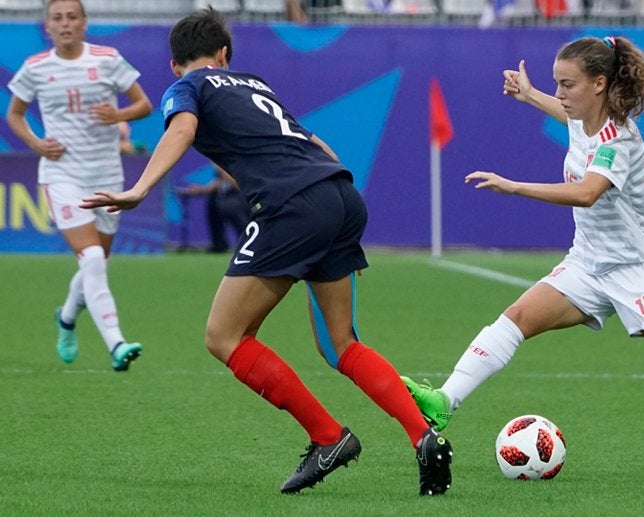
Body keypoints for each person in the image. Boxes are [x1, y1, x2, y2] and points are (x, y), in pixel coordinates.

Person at [80, 7, 452, 496]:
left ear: (175, 66)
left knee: (224, 336)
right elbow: (311, 144)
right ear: (225, 54)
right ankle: (424, 437)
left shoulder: (187, 87)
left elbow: (180, 130)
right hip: (337, 193)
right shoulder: (252, 83)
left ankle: (328, 438)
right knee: (342, 344)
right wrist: (333, 219)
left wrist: (140, 188)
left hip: (293, 208)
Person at [402, 36, 644, 486]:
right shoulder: (582, 117)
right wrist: (531, 94)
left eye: (566, 84)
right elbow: (569, 120)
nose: (560, 93)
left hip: (638, 270)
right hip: (588, 264)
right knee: (515, 319)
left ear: (598, 84)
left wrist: (514, 186)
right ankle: (444, 401)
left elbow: (587, 193)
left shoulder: (620, 139)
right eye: (556, 83)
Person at [5, 0, 153, 371]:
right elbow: (15, 114)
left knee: (96, 262)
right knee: (90, 258)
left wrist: (117, 114)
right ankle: (116, 343)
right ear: (48, 26)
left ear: (85, 23)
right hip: (62, 175)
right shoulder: (35, 68)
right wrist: (37, 143)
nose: (65, 23)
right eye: (58, 18)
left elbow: (144, 105)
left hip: (107, 176)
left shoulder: (107, 58)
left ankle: (67, 317)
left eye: (72, 17)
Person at [177, 165, 248, 253]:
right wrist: (202, 190)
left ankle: (250, 247)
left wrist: (223, 170)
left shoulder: (236, 162)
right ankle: (219, 245)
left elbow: (237, 182)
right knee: (215, 207)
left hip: (238, 198)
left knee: (243, 226)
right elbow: (219, 182)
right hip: (224, 198)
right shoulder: (221, 167)